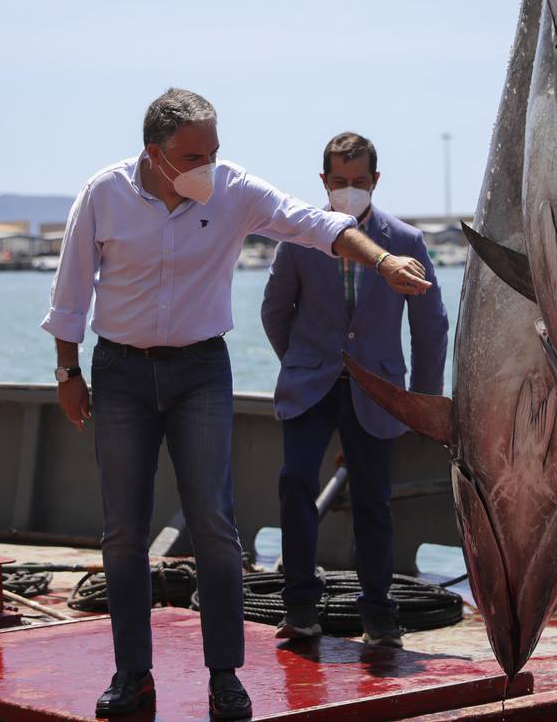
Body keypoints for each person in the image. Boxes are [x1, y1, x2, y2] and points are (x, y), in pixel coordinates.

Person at [42, 91, 432, 719]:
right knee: (123, 532)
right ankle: (132, 674)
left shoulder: (232, 190)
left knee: (216, 529)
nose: (209, 165)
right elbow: (70, 291)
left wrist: (383, 261)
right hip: (120, 374)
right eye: (194, 155)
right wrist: (67, 370)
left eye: (214, 151)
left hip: (200, 371)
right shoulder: (103, 194)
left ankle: (224, 676)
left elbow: (315, 223)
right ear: (155, 154)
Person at [260, 132, 448, 648]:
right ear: (323, 181)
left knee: (373, 501)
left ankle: (378, 613)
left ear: (375, 181)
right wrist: (301, 365)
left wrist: (423, 402)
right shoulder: (299, 238)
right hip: (310, 386)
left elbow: (431, 324)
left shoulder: (405, 241)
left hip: (380, 390)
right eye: (339, 182)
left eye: (359, 182)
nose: (349, 190)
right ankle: (299, 606)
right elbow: (275, 312)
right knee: (295, 482)